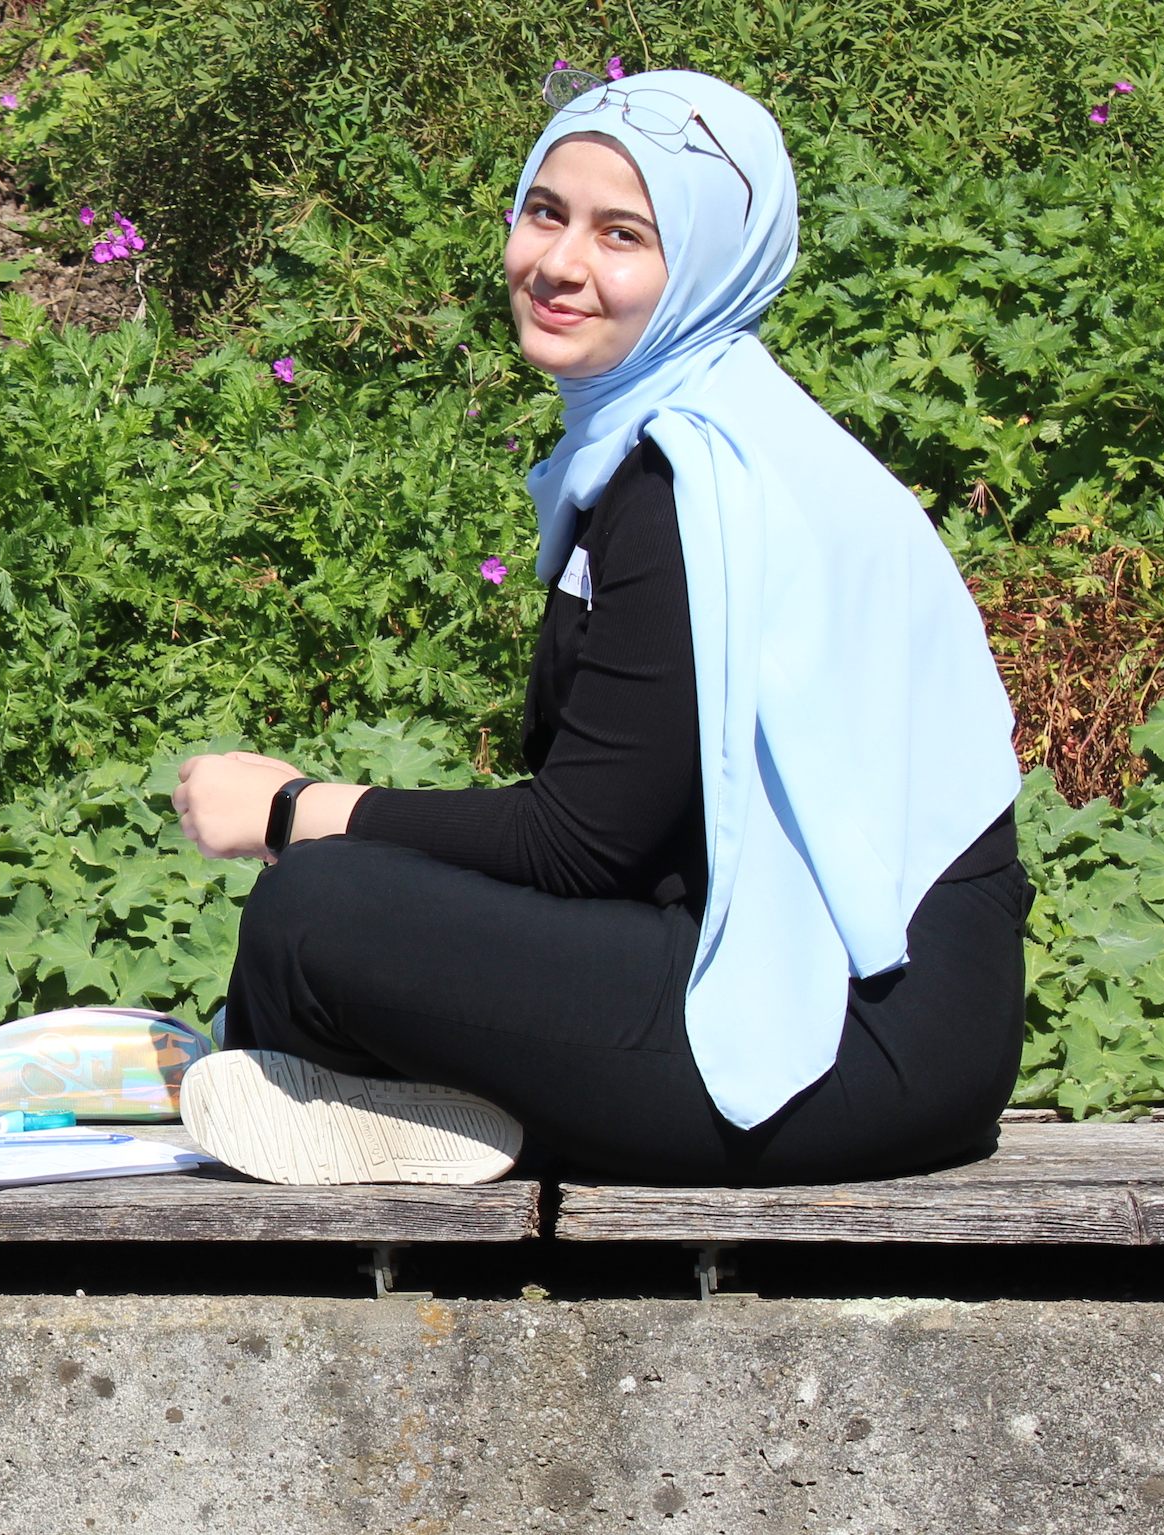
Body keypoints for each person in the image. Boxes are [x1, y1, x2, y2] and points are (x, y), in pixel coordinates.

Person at [169, 68, 1029, 1187]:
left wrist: (294, 808)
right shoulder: (707, 432)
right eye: (545, 211)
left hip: (851, 1050)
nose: (559, 264)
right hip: (839, 1013)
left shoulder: (693, 487)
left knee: (314, 910)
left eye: (623, 234)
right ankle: (404, 1105)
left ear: (710, 265)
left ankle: (410, 1105)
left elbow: (579, 842)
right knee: (333, 920)